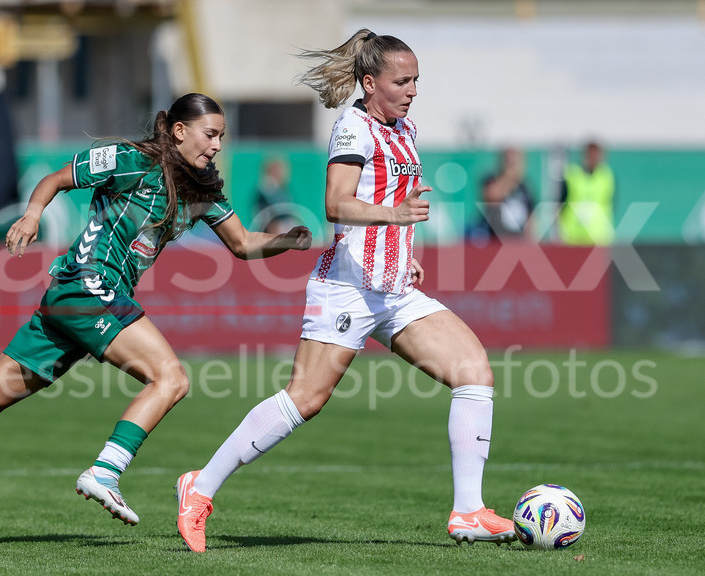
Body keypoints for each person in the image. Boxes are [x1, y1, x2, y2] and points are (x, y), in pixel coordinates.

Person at [0, 93, 312, 526]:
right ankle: (106, 471)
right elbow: (57, 178)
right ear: (178, 131)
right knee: (171, 378)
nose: (216, 145)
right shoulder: (132, 160)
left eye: (222, 137)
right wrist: (31, 215)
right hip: (88, 283)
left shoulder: (202, 190)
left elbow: (243, 243)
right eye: (210, 133)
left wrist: (286, 242)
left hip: (76, 299)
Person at [174, 30, 516, 553]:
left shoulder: (404, 129)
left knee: (474, 373)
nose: (412, 90)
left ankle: (468, 510)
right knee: (305, 400)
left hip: (395, 288)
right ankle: (200, 486)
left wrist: (404, 247)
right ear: (370, 81)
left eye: (417, 80)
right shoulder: (353, 127)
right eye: (402, 81)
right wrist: (395, 216)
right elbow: (337, 203)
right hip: (348, 290)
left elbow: (388, 203)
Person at [466, 146, 534, 242]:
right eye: (509, 157)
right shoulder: (491, 180)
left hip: (517, 241)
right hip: (494, 239)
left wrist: (530, 239)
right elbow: (491, 196)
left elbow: (530, 215)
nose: (512, 161)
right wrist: (509, 177)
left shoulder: (524, 186)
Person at [558, 140, 615, 245]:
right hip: (572, 238)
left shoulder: (606, 177)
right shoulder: (572, 175)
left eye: (596, 156)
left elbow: (611, 204)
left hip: (598, 238)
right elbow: (560, 205)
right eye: (591, 155)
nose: (594, 159)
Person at [253, 157, 301, 234]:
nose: (279, 173)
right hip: (271, 222)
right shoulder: (265, 188)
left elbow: (290, 209)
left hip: (286, 221)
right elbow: (262, 211)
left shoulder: (284, 188)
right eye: (275, 170)